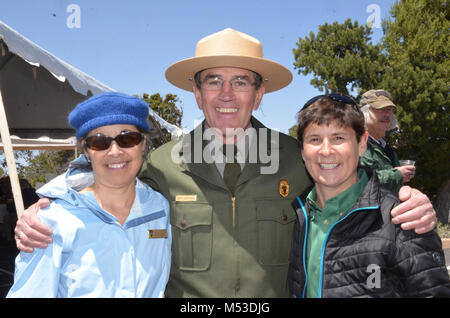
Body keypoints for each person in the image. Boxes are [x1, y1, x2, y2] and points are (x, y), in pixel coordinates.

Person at [15, 28, 437, 298]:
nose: (227, 94)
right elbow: (106, 168)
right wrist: (46, 205)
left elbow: (349, 180)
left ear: (259, 94)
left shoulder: (298, 156)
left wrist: (405, 198)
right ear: (196, 94)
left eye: (241, 82)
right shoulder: (161, 164)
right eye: (213, 81)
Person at [7, 92, 171, 297]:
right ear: (85, 150)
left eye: (127, 138)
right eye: (99, 142)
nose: (114, 151)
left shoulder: (159, 210)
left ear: (143, 142)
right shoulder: (51, 223)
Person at [288, 94, 450, 297]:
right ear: (302, 151)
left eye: (339, 138)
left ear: (362, 144)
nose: (326, 151)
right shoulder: (296, 214)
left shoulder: (403, 220)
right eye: (314, 139)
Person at [359, 89, 415, 193]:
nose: (387, 114)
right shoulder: (356, 144)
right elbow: (360, 180)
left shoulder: (386, 147)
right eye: (380, 109)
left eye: (389, 109)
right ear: (365, 112)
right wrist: (397, 175)